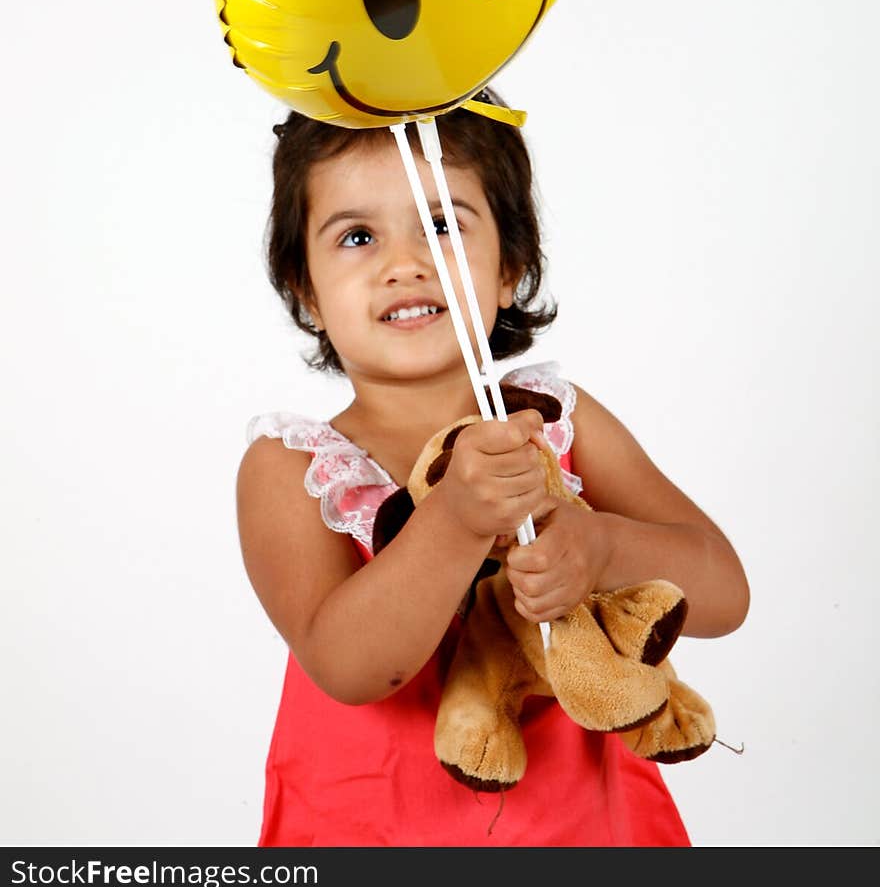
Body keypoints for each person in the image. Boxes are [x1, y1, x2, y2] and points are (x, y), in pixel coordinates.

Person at [236, 92, 750, 847]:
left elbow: (724, 592)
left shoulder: (554, 420)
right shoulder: (293, 468)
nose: (404, 264)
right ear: (303, 288)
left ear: (509, 265)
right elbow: (350, 666)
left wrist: (602, 546)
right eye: (356, 236)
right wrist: (453, 519)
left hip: (584, 833)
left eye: (443, 225)